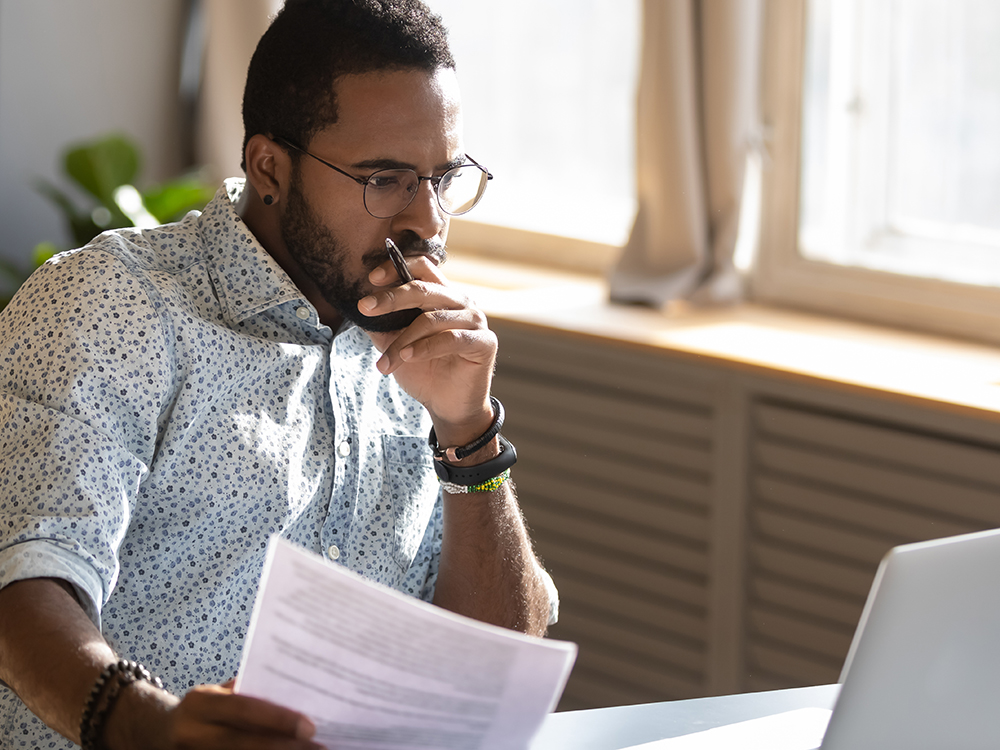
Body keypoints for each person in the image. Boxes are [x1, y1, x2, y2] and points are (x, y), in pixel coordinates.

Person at [0, 1, 556, 747]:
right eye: (385, 179)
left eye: (443, 177)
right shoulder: (114, 304)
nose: (426, 221)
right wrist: (143, 727)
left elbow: (492, 674)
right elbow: (24, 577)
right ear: (269, 167)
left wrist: (470, 434)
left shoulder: (420, 347)